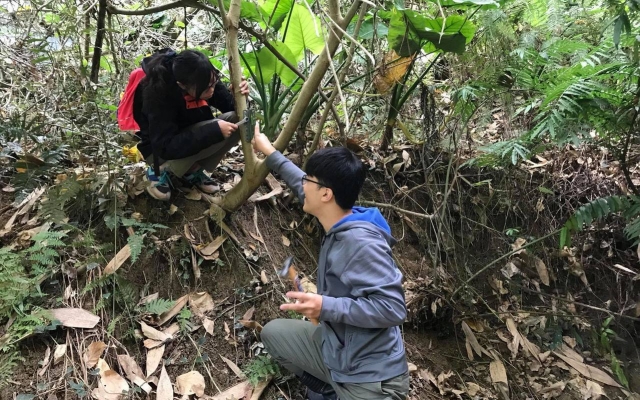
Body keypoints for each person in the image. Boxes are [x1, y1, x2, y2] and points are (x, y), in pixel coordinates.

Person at [251, 123, 410, 400]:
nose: (302, 184)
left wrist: (325, 306)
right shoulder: (337, 214)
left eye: (308, 180)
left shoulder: (360, 242)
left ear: (326, 194)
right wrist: (269, 151)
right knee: (275, 334)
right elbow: (301, 182)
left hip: (370, 378)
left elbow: (393, 308)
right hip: (338, 351)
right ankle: (329, 389)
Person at [131, 49, 249, 201]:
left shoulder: (204, 78)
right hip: (158, 152)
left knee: (235, 119)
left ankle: (191, 170)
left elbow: (232, 109)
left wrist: (239, 96)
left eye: (213, 84)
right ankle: (160, 171)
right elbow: (164, 146)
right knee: (216, 129)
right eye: (206, 89)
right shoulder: (159, 92)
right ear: (182, 85)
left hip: (188, 135)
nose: (212, 90)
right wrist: (212, 130)